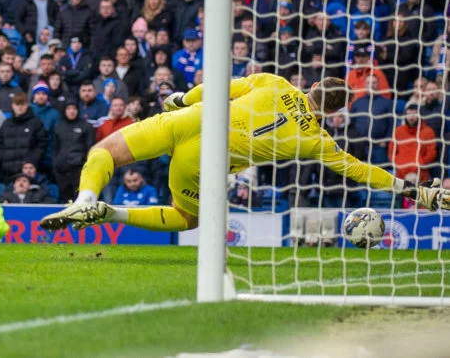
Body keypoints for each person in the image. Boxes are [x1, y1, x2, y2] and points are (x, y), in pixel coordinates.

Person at [42, 75, 450, 234]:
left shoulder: (275, 83)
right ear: (334, 110)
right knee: (187, 219)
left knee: (104, 152)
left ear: (310, 85)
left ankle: (86, 200)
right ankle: (109, 214)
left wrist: (182, 97)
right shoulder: (317, 139)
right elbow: (359, 170)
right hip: (206, 156)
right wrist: (411, 189)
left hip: (191, 118)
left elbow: (221, 84)